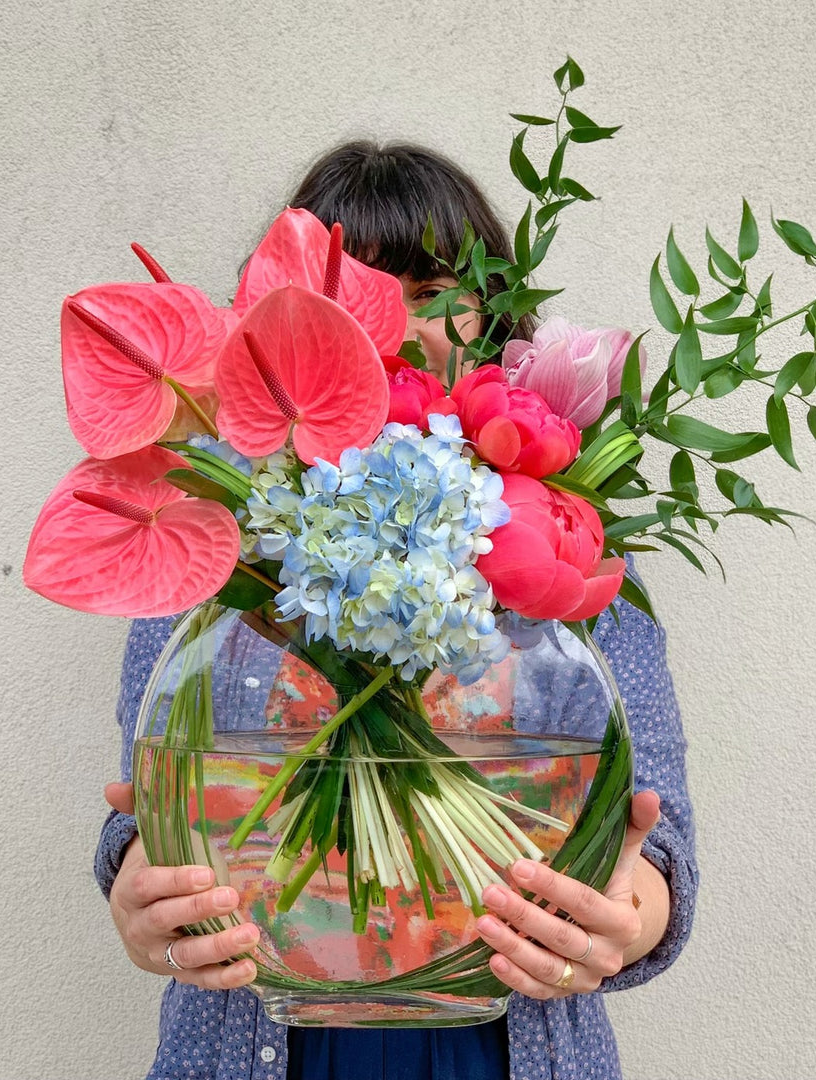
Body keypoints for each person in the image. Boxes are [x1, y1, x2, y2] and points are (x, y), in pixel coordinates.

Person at [95, 142, 698, 1080]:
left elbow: (655, 836)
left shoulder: (564, 533)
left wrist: (623, 919)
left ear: (495, 314)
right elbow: (151, 806)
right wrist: (146, 904)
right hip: (262, 1041)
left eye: (430, 291)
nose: (395, 331)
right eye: (353, 299)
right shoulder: (219, 538)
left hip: (500, 1040)